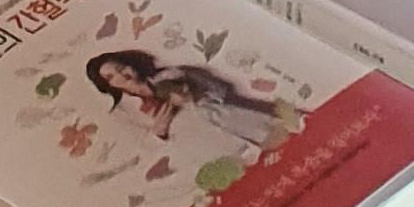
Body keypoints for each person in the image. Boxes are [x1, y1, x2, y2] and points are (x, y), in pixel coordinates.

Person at [86, 49, 299, 153]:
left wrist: (195, 94)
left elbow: (223, 91)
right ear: (108, 85)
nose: (122, 75)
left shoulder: (172, 74)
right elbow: (142, 148)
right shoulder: (125, 112)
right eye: (111, 77)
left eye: (121, 67)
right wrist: (158, 131)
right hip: (198, 148)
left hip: (238, 122)